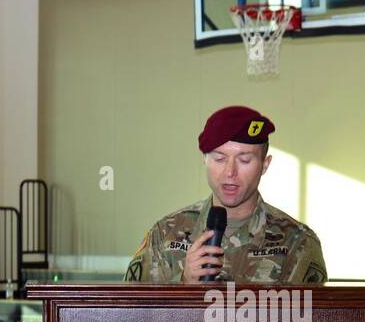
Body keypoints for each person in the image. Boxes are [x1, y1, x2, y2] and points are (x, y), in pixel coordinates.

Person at [123, 106, 328, 283]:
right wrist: (185, 285)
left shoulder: (297, 242)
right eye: (219, 159)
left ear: (265, 165)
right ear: (205, 160)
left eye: (245, 160)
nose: (230, 172)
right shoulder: (165, 233)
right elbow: (132, 319)